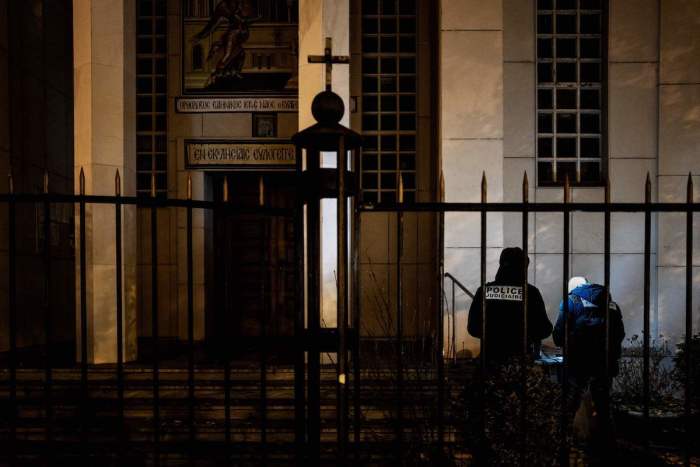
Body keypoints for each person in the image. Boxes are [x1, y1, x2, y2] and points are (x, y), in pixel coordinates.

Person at [553, 276, 625, 453]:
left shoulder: (570, 301)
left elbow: (558, 336)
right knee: (603, 404)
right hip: (604, 362)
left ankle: (563, 443)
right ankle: (607, 447)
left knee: (570, 403)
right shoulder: (611, 304)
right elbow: (620, 334)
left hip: (578, 362)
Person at [467, 247, 553, 365]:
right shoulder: (531, 293)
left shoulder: (484, 291)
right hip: (520, 364)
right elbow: (544, 329)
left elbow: (473, 328)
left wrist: (493, 334)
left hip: (490, 361)